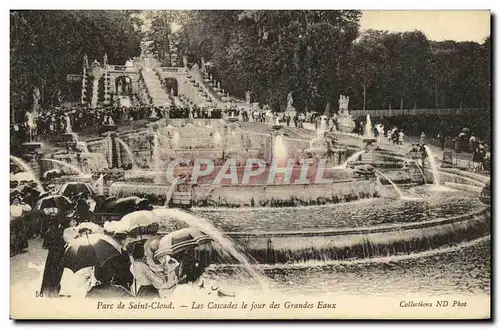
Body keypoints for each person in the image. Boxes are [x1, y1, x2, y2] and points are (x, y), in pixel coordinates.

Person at [40, 216, 68, 297]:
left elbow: (46, 245)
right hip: (58, 255)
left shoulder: (50, 231)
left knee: (49, 272)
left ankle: (47, 290)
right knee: (56, 273)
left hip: (51, 255)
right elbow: (62, 244)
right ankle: (54, 290)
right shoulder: (59, 232)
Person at [10, 192, 31, 256]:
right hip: (13, 221)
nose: (16, 201)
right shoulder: (10, 207)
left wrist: (25, 204)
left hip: (20, 221)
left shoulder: (21, 206)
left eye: (17, 200)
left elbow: (29, 209)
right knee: (13, 235)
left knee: (21, 234)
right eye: (15, 200)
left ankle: (20, 248)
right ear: (13, 201)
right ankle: (13, 250)